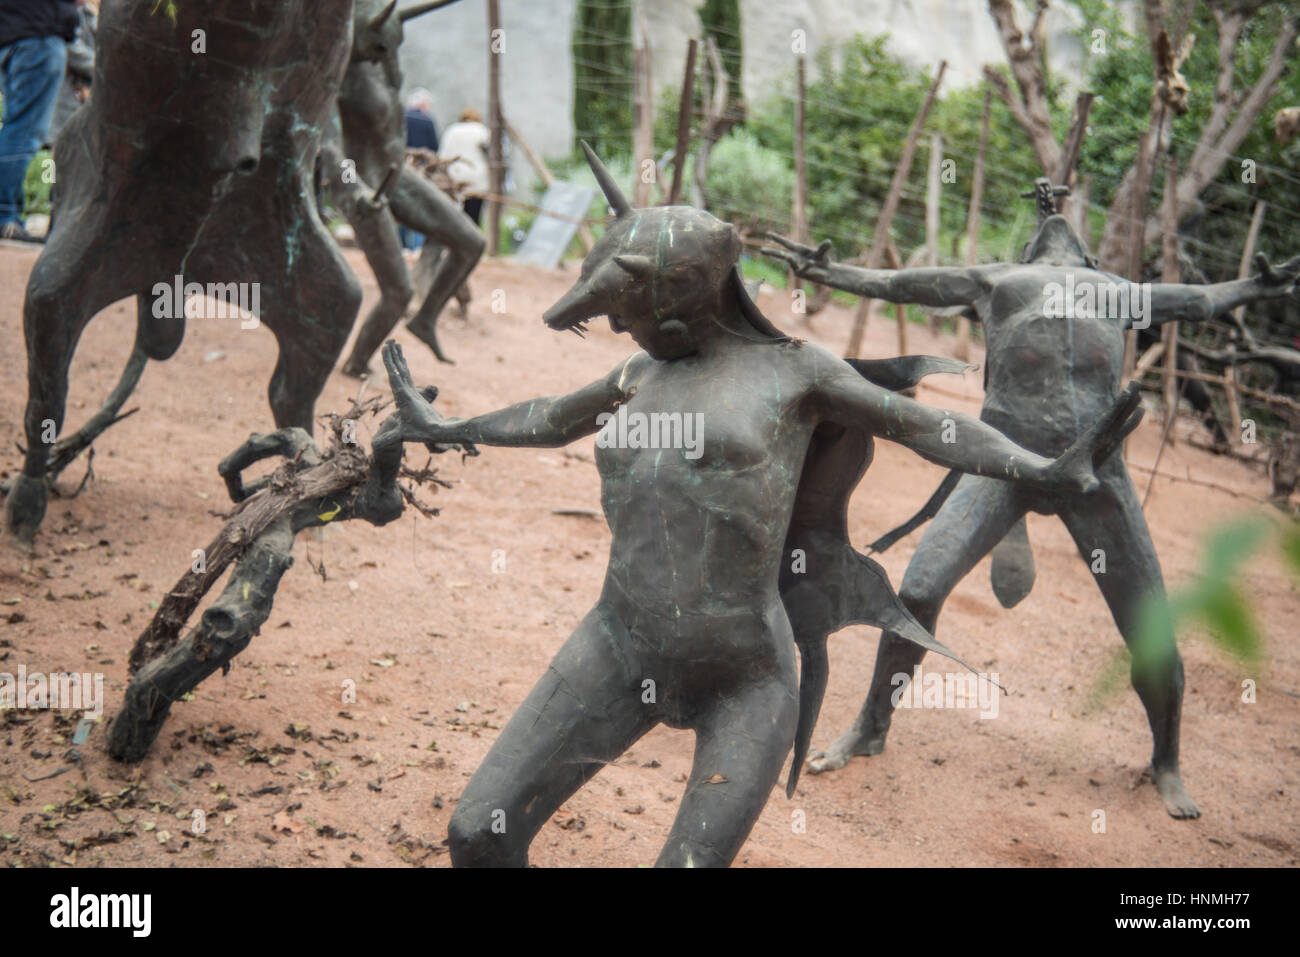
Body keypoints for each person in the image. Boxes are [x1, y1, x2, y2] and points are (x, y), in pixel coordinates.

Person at [374, 146, 1143, 867]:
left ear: (678, 306)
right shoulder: (639, 373)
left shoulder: (798, 372)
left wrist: (1041, 463)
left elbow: (924, 425)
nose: (619, 330)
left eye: (626, 313)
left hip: (744, 674)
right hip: (618, 641)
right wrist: (443, 428)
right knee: (477, 831)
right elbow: (545, 418)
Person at [0, 0, 78, 242]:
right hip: (38, 37)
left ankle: (8, 216)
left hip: (13, 36)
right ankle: (5, 217)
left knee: (16, 128)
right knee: (23, 134)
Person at [399, 86, 438, 252]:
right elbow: (435, 146)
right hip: (421, 170)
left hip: (401, 167)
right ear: (423, 105)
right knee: (420, 205)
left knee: (401, 205)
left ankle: (403, 245)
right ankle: (417, 246)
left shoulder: (401, 118)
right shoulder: (427, 121)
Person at [438, 106, 489, 225]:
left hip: (456, 177)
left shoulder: (452, 131)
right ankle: (473, 240)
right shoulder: (483, 131)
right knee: (474, 216)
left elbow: (443, 156)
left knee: (456, 216)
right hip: (478, 180)